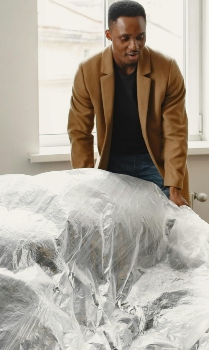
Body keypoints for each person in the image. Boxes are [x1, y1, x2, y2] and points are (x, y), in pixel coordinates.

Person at [68, 0, 190, 206]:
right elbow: (79, 133)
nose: (134, 46)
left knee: (172, 225)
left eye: (140, 37)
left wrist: (174, 187)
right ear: (109, 35)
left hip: (154, 160)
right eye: (125, 38)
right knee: (113, 228)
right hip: (113, 161)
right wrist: (85, 184)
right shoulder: (87, 71)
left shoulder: (167, 69)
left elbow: (175, 132)